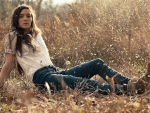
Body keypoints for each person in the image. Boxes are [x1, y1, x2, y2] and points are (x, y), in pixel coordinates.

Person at [0, 4, 149, 95]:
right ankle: (129, 89)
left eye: (29, 16)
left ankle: (136, 84)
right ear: (16, 19)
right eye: (21, 16)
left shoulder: (36, 34)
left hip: (55, 71)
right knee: (84, 84)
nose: (26, 19)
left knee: (97, 63)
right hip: (42, 79)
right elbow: (8, 65)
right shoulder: (12, 37)